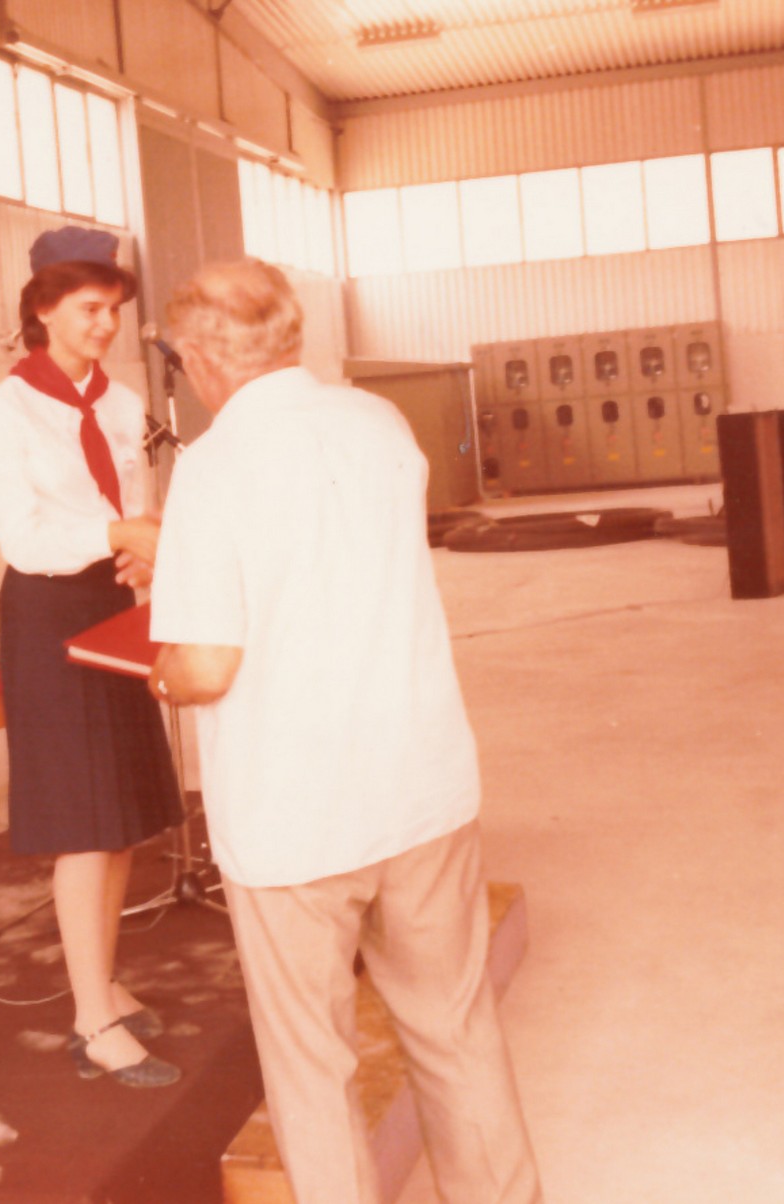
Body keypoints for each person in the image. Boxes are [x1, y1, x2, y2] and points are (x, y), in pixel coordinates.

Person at [148, 260, 541, 1204]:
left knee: (312, 1066)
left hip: (295, 821)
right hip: (419, 787)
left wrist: (162, 657)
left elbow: (206, 665)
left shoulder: (212, 467)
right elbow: (326, 555)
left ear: (199, 358)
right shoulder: (379, 424)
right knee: (454, 1030)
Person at [0, 226, 182, 1088]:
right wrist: (117, 535)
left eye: (114, 311)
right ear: (44, 309)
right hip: (48, 612)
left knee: (121, 816)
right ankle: (93, 1020)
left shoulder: (121, 404)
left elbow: (135, 505)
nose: (106, 326)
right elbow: (23, 539)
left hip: (110, 601)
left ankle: (105, 980)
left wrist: (142, 555)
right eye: (90, 309)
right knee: (83, 826)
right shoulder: (3, 413)